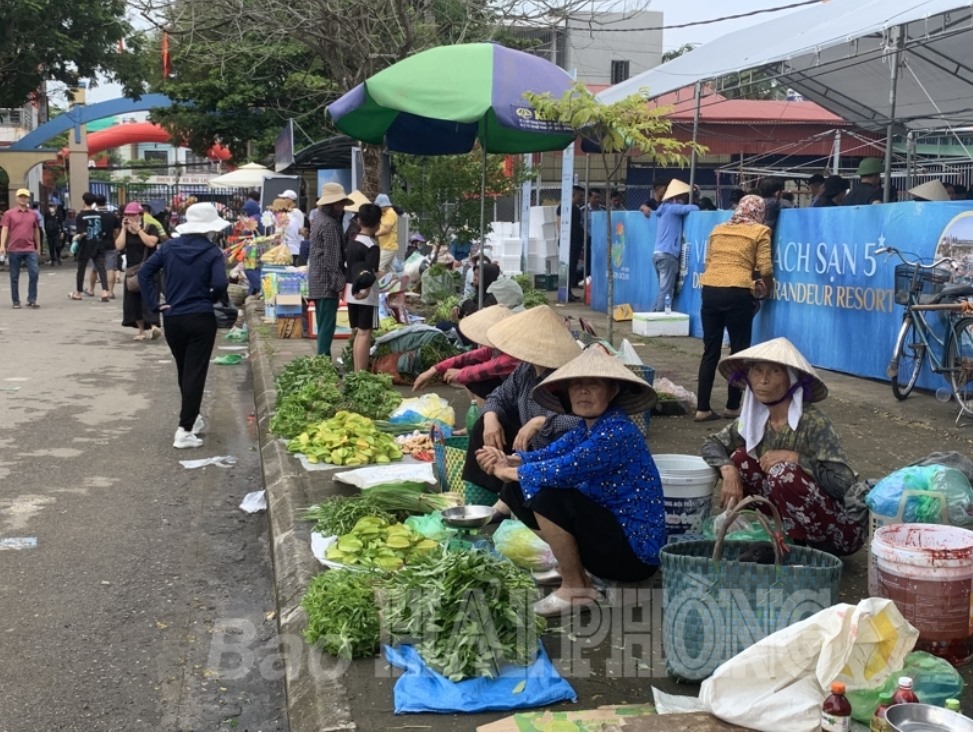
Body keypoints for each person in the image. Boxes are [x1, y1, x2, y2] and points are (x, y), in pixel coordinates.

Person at [476, 347, 665, 616]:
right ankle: (571, 568)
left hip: (634, 554)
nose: (583, 391)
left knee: (547, 494)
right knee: (517, 489)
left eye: (594, 384)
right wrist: (509, 461)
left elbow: (564, 469)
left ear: (613, 391)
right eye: (576, 385)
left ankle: (576, 588)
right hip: (608, 537)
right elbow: (547, 455)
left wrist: (505, 471)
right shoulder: (585, 429)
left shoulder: (617, 432)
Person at [701, 337, 865, 555]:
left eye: (775, 372)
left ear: (792, 380)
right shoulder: (753, 420)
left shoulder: (813, 423)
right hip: (788, 521)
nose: (764, 380)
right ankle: (778, 535)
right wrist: (728, 469)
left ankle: (802, 546)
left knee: (782, 473)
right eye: (757, 371)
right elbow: (711, 443)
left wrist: (798, 459)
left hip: (837, 532)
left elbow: (845, 485)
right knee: (740, 459)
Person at [461, 305, 582, 499]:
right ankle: (488, 494)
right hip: (527, 445)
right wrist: (490, 417)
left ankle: (509, 499)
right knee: (483, 425)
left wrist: (541, 422)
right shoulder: (526, 369)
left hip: (556, 451)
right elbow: (498, 396)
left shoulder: (567, 377)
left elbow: (582, 423)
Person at [139, 202, 229, 450]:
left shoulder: (168, 248)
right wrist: (209, 298)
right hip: (201, 317)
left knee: (184, 370)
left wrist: (154, 305)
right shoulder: (212, 252)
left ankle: (193, 417)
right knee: (195, 372)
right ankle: (184, 430)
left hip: (173, 317)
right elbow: (220, 284)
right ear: (210, 228)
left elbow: (145, 273)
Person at [695, 194, 773, 423]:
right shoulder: (760, 231)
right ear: (759, 212)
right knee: (739, 352)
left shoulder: (718, 229)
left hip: (710, 290)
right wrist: (765, 288)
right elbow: (765, 268)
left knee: (710, 351)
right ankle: (732, 406)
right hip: (738, 292)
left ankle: (702, 409)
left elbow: (709, 261)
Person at [413, 304, 520, 402]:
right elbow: (470, 356)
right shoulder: (498, 347)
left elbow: (487, 369)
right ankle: (483, 412)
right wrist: (434, 369)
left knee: (475, 381)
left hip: (517, 397)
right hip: (507, 386)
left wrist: (460, 374)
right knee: (470, 365)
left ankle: (491, 415)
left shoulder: (513, 355)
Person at [308, 182, 353, 359]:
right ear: (332, 204)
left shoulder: (319, 219)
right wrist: (340, 284)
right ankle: (323, 361)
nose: (342, 208)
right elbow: (333, 259)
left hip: (317, 279)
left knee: (323, 324)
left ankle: (322, 359)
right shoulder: (330, 225)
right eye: (340, 203)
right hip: (326, 282)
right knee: (327, 326)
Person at [115, 201, 161, 341]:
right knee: (133, 300)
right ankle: (141, 330)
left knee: (149, 298)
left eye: (133, 215)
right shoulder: (125, 231)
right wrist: (124, 229)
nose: (130, 217)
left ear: (140, 215)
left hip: (149, 268)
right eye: (127, 215)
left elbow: (151, 242)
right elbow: (119, 246)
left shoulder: (150, 227)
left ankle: (153, 326)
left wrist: (139, 230)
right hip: (133, 269)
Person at [345, 203, 382, 371]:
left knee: (358, 333)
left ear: (359, 221)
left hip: (351, 290)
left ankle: (356, 370)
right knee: (365, 333)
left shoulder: (353, 241)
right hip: (366, 293)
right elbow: (371, 272)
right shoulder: (372, 246)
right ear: (378, 223)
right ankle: (361, 372)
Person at [652, 179, 698, 312]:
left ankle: (655, 313)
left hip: (657, 253)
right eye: (683, 197)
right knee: (666, 290)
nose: (685, 199)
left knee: (663, 289)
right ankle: (658, 316)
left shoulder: (662, 209)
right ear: (676, 198)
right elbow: (694, 208)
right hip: (668, 254)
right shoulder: (673, 208)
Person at [0, 188, 42, 308]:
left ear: (28, 199)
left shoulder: (33, 214)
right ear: (17, 198)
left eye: (25, 197)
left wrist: (38, 247)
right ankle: (15, 301)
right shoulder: (9, 214)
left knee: (34, 273)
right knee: (14, 276)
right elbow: (4, 229)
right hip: (14, 249)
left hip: (29, 248)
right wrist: (2, 245)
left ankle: (32, 299)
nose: (23, 199)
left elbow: (36, 230)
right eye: (21, 196)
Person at [71, 192, 113, 302]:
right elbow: (102, 229)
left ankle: (78, 292)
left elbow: (81, 232)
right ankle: (105, 291)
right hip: (98, 243)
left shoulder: (80, 216)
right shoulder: (99, 215)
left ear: (84, 201)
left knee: (81, 269)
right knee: (101, 268)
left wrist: (76, 238)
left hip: (85, 244)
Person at [556, 185, 584, 299]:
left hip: (576, 242)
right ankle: (564, 292)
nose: (582, 198)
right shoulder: (563, 208)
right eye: (580, 195)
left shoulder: (577, 209)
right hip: (568, 242)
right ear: (573, 195)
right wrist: (564, 240)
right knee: (566, 267)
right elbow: (558, 222)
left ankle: (569, 291)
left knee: (572, 268)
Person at [374, 193, 398, 275]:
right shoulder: (385, 214)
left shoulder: (390, 214)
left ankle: (384, 286)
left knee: (380, 266)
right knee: (390, 268)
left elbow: (387, 230)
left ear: (383, 205)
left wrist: (375, 235)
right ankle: (395, 285)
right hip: (386, 246)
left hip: (388, 246)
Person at [280, 189, 304, 265]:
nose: (282, 200)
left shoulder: (296, 212)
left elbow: (300, 230)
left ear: (290, 200)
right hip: (287, 246)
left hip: (293, 246)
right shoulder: (288, 212)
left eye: (284, 198)